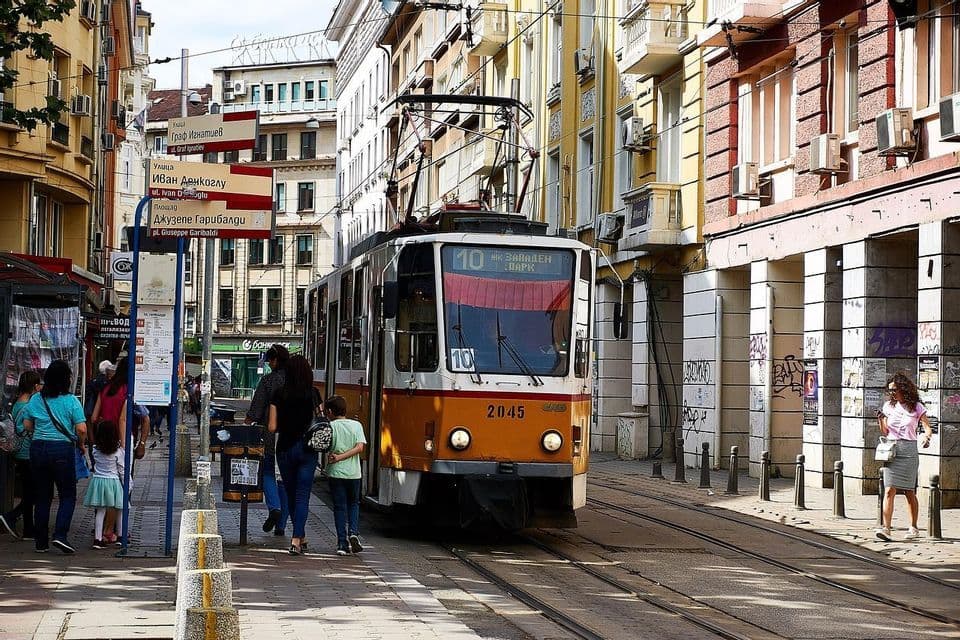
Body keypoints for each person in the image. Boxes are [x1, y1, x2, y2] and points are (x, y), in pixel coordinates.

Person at [22, 360, 88, 554]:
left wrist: (40, 431)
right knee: (67, 494)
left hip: (38, 449)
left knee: (42, 496)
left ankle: (41, 542)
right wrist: (81, 444)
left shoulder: (36, 399)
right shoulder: (71, 400)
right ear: (67, 379)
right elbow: (81, 429)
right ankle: (60, 535)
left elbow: (27, 425)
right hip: (62, 450)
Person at [268, 354, 319, 556]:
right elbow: (321, 421)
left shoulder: (279, 394)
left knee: (290, 494)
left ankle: (298, 537)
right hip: (308, 450)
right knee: (302, 496)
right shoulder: (313, 394)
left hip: (285, 449)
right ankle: (298, 538)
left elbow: (272, 427)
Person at [876, 371, 934, 541]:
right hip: (892, 450)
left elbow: (927, 427)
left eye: (894, 389)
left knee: (909, 491)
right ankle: (886, 528)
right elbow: (885, 431)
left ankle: (913, 527)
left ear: (903, 388)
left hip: (908, 451)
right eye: (890, 390)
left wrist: (927, 438)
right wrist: (881, 420)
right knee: (889, 490)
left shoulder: (916, 407)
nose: (892, 393)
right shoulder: (888, 406)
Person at [246, 344, 290, 536]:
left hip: (271, 436)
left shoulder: (268, 381)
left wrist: (247, 423)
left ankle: (274, 507)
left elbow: (256, 409)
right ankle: (281, 526)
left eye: (270, 361)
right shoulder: (297, 380)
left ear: (275, 360)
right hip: (293, 437)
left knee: (268, 472)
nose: (269, 364)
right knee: (285, 480)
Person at [0, 371, 42, 539]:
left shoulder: (18, 402)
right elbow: (29, 428)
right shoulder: (28, 406)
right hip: (28, 452)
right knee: (33, 493)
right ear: (34, 386)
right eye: (39, 384)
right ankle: (11, 516)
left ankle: (28, 529)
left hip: (20, 452)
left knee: (28, 491)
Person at [325, 395, 366, 556]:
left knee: (339, 507)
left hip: (336, 473)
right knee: (354, 504)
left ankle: (342, 543)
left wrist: (338, 457)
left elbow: (325, 446)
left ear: (330, 411)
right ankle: (353, 533)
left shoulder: (330, 426)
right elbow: (360, 448)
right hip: (354, 473)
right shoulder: (357, 425)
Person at [84, 420, 124, 549]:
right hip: (113, 481)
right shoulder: (118, 451)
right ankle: (121, 536)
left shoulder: (95, 450)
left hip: (99, 481)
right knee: (119, 508)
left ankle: (98, 539)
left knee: (100, 511)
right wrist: (128, 484)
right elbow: (122, 469)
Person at [91, 358, 129, 443]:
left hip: (103, 438)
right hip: (120, 438)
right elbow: (122, 420)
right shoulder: (128, 390)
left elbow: (93, 418)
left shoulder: (105, 389)